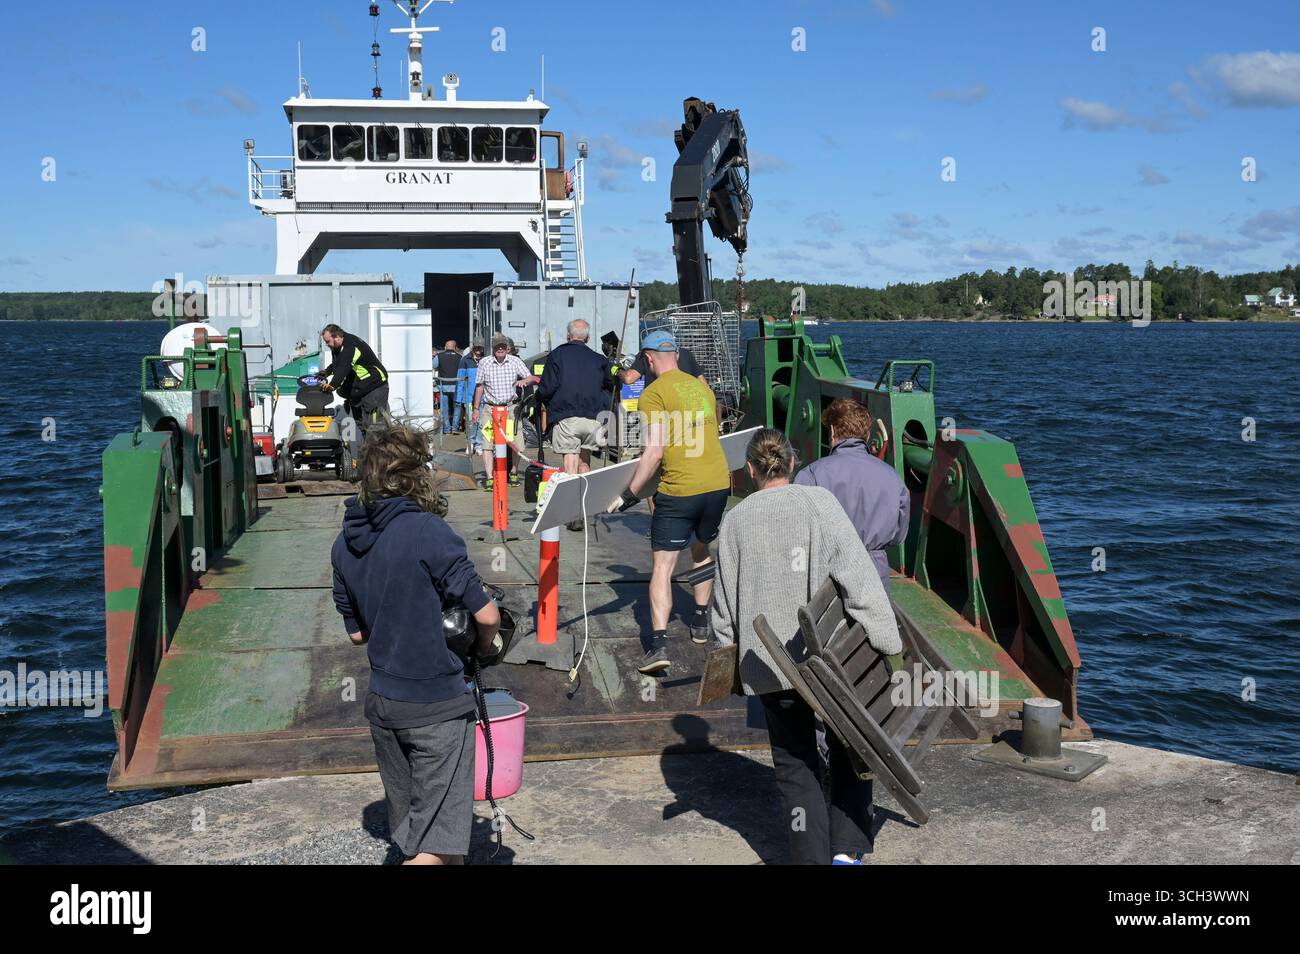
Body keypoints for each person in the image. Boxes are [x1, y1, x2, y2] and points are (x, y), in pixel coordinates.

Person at [711, 428, 902, 866]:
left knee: (796, 763)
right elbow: (858, 578)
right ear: (793, 464)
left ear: (751, 470)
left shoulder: (736, 520)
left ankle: (808, 857)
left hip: (771, 664)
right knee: (849, 746)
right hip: (829, 658)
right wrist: (886, 641)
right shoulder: (819, 503)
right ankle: (847, 851)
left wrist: (726, 652)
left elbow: (723, 608)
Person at [330, 424, 501, 865]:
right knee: (436, 852)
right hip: (436, 709)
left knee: (423, 839)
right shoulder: (428, 530)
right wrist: (483, 648)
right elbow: (487, 616)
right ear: (415, 474)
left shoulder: (343, 544)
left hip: (384, 707)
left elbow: (357, 634)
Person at [607, 330, 730, 674]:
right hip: (719, 483)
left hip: (681, 489)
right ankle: (702, 622)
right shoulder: (702, 388)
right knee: (702, 547)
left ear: (647, 359)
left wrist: (629, 494)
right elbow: (711, 430)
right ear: (676, 354)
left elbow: (655, 452)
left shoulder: (653, 393)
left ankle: (659, 646)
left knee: (663, 565)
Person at [794, 399, 910, 590]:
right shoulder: (892, 477)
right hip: (875, 574)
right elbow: (898, 535)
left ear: (832, 432)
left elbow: (799, 532)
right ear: (867, 434)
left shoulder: (811, 475)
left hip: (829, 575)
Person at [537, 319, 614, 531]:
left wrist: (539, 399)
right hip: (593, 420)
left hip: (567, 417)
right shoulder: (599, 359)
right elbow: (609, 386)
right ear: (587, 338)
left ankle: (573, 515)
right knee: (585, 463)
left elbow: (547, 387)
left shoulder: (558, 355)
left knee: (570, 466)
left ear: (568, 336)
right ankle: (585, 509)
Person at [471, 335, 539, 489]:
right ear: (493, 348)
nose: (500, 349)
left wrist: (524, 381)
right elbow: (480, 386)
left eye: (502, 346)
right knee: (488, 443)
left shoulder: (515, 361)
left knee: (515, 442)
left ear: (507, 348)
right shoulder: (484, 362)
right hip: (490, 409)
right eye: (497, 346)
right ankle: (489, 477)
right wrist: (476, 409)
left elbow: (531, 377)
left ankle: (513, 472)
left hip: (510, 409)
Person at [319, 323, 390, 436]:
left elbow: (344, 366)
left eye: (328, 341)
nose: (327, 345)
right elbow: (337, 364)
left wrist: (332, 385)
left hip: (375, 385)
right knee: (361, 423)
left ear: (337, 337)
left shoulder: (351, 346)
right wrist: (326, 372)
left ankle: (378, 450)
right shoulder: (338, 347)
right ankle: (365, 447)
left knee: (375, 426)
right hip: (362, 384)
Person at [618, 342, 708, 388]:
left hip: (657, 404)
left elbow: (628, 378)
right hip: (685, 405)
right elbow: (703, 384)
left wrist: (617, 370)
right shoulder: (685, 353)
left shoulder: (646, 353)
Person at [458, 345, 485, 456]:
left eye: (481, 348)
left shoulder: (486, 360)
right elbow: (460, 380)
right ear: (473, 348)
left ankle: (479, 444)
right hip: (469, 398)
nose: (479, 351)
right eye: (477, 348)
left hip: (484, 398)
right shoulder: (465, 360)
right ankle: (470, 443)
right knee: (471, 422)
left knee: (482, 423)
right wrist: (459, 399)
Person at [434, 340, 463, 434]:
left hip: (443, 386)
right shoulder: (460, 357)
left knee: (444, 408)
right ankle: (455, 427)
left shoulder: (439, 356)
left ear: (445, 347)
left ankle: (446, 429)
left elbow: (433, 365)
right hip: (456, 385)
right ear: (455, 348)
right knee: (457, 406)